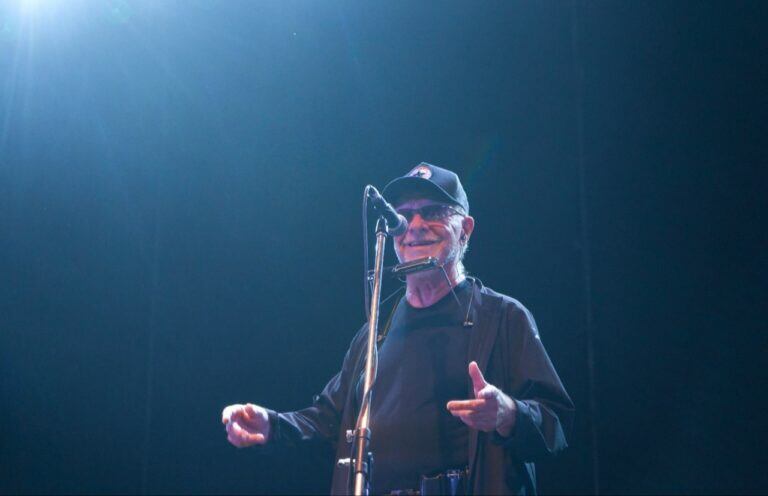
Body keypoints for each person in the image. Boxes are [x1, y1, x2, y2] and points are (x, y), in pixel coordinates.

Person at [222, 163, 574, 495]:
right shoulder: (375, 330)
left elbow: (555, 423)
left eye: (433, 212)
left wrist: (507, 413)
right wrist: (271, 425)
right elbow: (328, 421)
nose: (415, 225)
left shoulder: (502, 318)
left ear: (465, 228)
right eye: (403, 216)